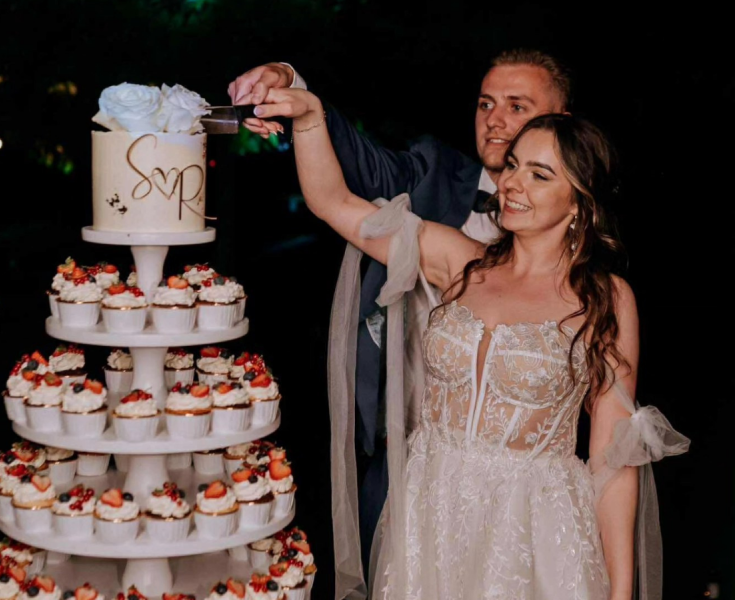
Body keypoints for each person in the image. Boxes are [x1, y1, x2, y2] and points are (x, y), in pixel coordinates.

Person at [251, 85, 690, 600]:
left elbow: (614, 460)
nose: (512, 183)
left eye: (539, 175)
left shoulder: (605, 299)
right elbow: (332, 203)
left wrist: (621, 592)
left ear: (579, 202)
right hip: (431, 512)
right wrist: (309, 116)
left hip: (535, 529)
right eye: (513, 166)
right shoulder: (460, 261)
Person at [229, 50, 574, 578]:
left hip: (530, 501)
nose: (495, 120)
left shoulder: (595, 290)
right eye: (485, 104)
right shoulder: (454, 236)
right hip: (409, 462)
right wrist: (304, 104)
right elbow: (337, 196)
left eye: (517, 106)